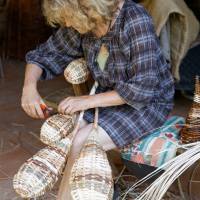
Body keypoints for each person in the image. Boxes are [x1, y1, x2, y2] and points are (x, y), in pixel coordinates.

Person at [21, 0, 174, 199]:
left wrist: (86, 101)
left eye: (68, 17)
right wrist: (29, 88)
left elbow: (143, 88)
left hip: (149, 102)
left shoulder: (134, 19)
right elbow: (44, 55)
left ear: (88, 9)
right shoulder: (82, 22)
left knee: (81, 141)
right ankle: (100, 191)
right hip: (107, 95)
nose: (66, 24)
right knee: (71, 132)